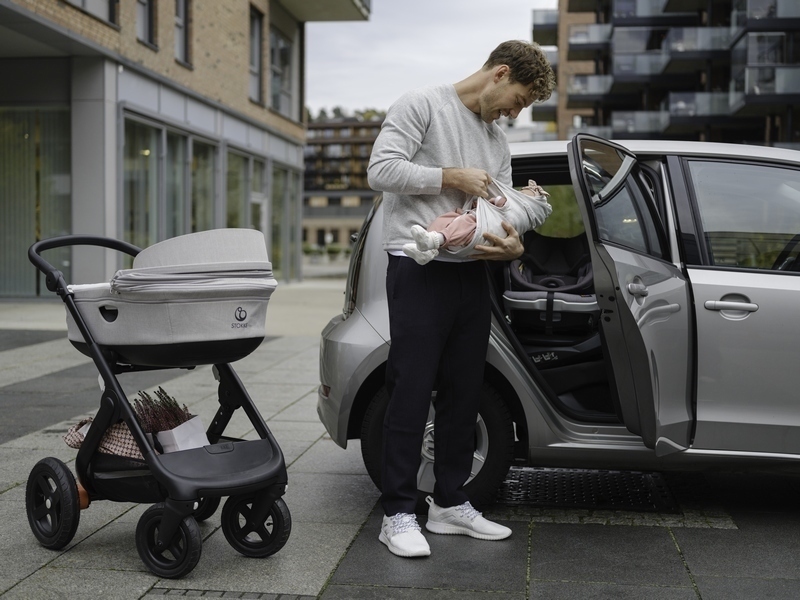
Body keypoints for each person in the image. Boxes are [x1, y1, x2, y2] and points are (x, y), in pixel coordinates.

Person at [366, 39, 556, 558]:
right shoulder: (422, 104)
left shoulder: (496, 142)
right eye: (517, 100)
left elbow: (507, 208)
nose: (515, 113)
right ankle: (399, 513)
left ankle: (449, 504)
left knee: (464, 390)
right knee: (410, 389)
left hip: (473, 272)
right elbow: (379, 171)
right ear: (499, 74)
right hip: (418, 266)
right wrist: (448, 176)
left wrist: (514, 240)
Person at [402, 179, 552, 265]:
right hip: (474, 234)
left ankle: (435, 239)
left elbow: (498, 201)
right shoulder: (520, 216)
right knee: (451, 218)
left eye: (523, 192)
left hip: (477, 229)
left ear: (528, 202)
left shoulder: (514, 208)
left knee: (464, 222)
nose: (519, 191)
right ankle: (428, 250)